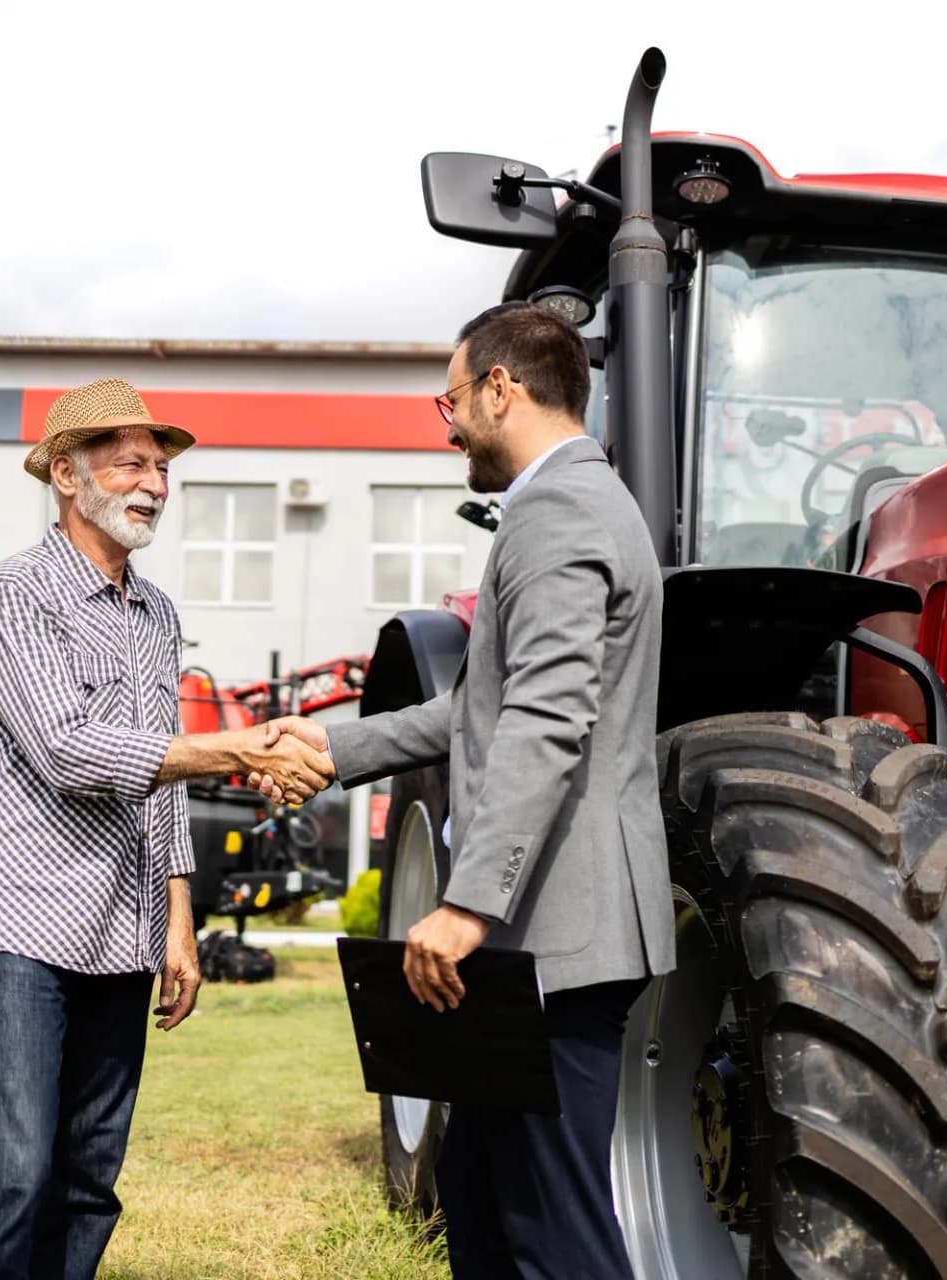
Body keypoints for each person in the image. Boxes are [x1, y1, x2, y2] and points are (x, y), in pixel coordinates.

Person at [256, 304, 674, 1278]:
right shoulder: (561, 505)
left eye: (449, 399)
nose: (445, 425)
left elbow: (547, 721)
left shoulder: (561, 511)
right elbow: (484, 710)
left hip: (556, 936)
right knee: (481, 1197)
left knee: (554, 1231)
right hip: (532, 941)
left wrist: (466, 900)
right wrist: (334, 745)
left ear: (501, 387)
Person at [0, 378, 333, 1280]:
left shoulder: (157, 615)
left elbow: (157, 781)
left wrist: (179, 923)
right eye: (131, 464)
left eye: (161, 468)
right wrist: (240, 747)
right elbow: (71, 752)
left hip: (121, 940)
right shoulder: (12, 595)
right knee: (10, 1180)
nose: (154, 484)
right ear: (68, 478)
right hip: (20, 936)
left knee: (89, 1182)